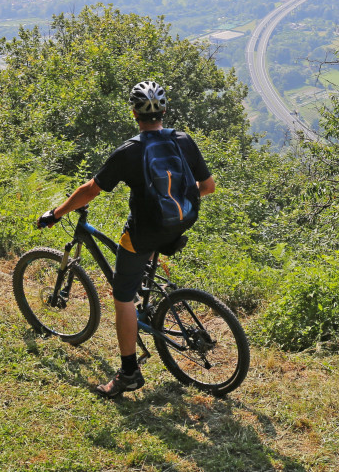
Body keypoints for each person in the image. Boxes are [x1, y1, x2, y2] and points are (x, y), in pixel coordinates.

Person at [34, 80, 215, 398]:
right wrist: (173, 201)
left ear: (134, 114)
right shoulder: (183, 140)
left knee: (122, 296)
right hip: (181, 223)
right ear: (163, 111)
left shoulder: (131, 151)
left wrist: (57, 213)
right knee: (139, 256)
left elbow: (91, 190)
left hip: (145, 232)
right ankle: (147, 283)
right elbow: (208, 185)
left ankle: (128, 372)